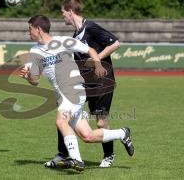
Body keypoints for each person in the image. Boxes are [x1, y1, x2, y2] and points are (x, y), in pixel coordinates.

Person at [20, 15, 134, 172]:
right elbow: (35, 80)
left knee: (61, 121)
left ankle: (77, 160)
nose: (28, 32)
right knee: (87, 136)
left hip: (74, 90)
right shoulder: (34, 51)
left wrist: (98, 65)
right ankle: (122, 133)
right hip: (64, 96)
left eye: (30, 29)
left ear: (38, 29)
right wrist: (28, 77)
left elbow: (90, 50)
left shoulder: (63, 41)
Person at [45, 0, 122, 168]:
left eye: (63, 13)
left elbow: (115, 43)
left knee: (101, 121)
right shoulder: (75, 36)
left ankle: (109, 155)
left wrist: (96, 60)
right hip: (84, 84)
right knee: (64, 113)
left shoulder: (91, 27)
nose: (62, 16)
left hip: (102, 81)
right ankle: (63, 154)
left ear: (70, 12)